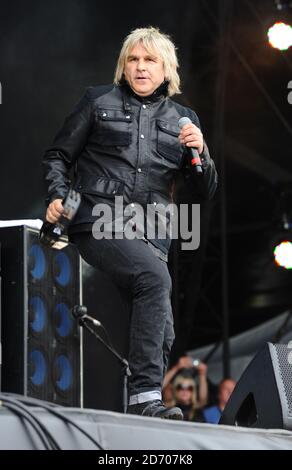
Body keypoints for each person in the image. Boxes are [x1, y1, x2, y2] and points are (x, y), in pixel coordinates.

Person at [43, 26, 217, 420]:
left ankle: (141, 407)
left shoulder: (184, 118)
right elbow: (58, 155)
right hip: (97, 217)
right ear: (124, 65)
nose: (140, 67)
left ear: (166, 69)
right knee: (155, 282)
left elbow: (203, 190)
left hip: (153, 234)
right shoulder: (97, 100)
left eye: (149, 60)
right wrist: (57, 195)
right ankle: (144, 401)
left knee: (164, 333)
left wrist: (200, 153)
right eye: (133, 59)